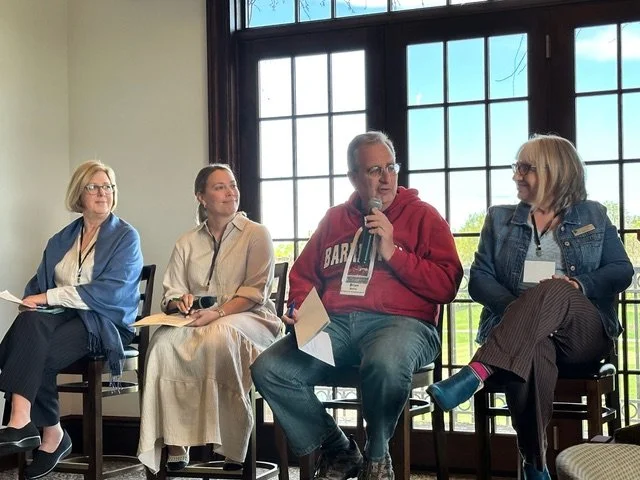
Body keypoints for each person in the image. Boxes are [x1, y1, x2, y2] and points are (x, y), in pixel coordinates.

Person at [251, 131, 463, 480]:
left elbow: (447, 284)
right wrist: (300, 307)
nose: (385, 179)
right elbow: (304, 275)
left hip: (402, 324)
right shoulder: (335, 219)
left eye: (390, 168)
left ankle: (377, 457)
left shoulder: (423, 217)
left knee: (384, 362)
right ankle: (338, 448)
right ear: (353, 177)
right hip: (336, 326)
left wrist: (393, 252)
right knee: (271, 369)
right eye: (374, 170)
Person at [427, 134, 634, 480]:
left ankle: (476, 371)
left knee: (555, 290)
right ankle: (535, 464)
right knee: (532, 349)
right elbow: (479, 279)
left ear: (554, 171)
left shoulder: (593, 214)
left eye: (526, 168)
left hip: (580, 331)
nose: (516, 175)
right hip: (524, 334)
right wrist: (522, 310)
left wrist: (579, 285)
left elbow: (621, 270)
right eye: (516, 167)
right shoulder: (500, 218)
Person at [0, 160, 143, 479]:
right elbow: (40, 284)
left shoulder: (125, 237)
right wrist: (32, 302)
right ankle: (27, 424)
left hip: (103, 323)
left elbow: (110, 291)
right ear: (79, 194)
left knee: (31, 352)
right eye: (94, 186)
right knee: (31, 323)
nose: (103, 192)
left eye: (108, 186)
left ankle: (42, 430)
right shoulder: (61, 239)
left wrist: (47, 298)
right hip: (61, 320)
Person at [137, 164, 282, 474]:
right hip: (198, 319)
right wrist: (181, 300)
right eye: (220, 187)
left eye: (232, 184)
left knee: (220, 336)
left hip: (250, 318)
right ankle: (176, 442)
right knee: (162, 345)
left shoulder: (257, 234)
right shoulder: (187, 241)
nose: (230, 191)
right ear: (201, 197)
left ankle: (232, 447)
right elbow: (171, 292)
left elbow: (255, 292)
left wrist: (217, 313)